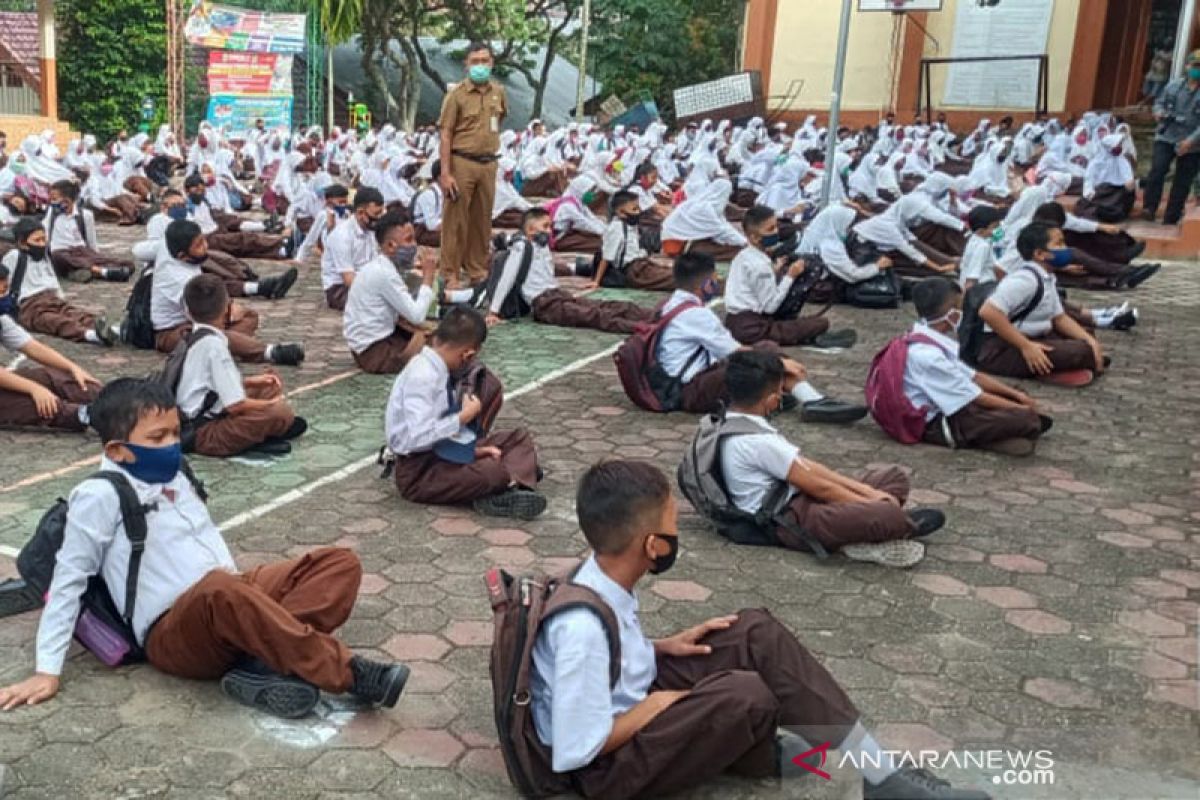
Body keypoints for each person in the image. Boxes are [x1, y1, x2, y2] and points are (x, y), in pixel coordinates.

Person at [528, 459, 989, 800]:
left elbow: (608, 662)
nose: (676, 534)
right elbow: (573, 751)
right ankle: (798, 759)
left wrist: (659, 648)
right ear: (652, 545)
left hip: (625, 700)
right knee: (746, 694)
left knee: (752, 632)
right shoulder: (582, 629)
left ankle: (877, 772)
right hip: (602, 773)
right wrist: (658, 704)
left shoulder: (597, 573)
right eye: (672, 526)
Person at [0, 378, 409, 719]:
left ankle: (261, 664)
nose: (172, 444)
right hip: (172, 630)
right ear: (117, 450)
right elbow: (68, 582)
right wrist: (46, 670)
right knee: (221, 590)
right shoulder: (98, 496)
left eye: (176, 432)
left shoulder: (175, 472)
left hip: (229, 595)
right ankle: (352, 674)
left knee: (338, 563)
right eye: (157, 437)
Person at [719, 351, 944, 567]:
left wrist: (869, 493)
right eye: (781, 391)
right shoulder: (756, 441)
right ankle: (888, 528)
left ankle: (870, 524)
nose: (781, 397)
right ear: (771, 400)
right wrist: (870, 502)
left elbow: (809, 469)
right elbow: (822, 488)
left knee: (893, 478)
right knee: (887, 514)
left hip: (798, 495)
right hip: (787, 519)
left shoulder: (728, 421)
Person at [656, 252, 865, 422]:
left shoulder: (670, 304)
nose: (718, 282)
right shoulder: (697, 314)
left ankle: (795, 396)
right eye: (714, 279)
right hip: (688, 391)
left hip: (687, 380)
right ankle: (810, 398)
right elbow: (737, 352)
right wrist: (780, 362)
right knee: (762, 355)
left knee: (765, 349)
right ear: (704, 284)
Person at [385, 307, 546, 519]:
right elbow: (418, 437)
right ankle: (508, 484)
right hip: (420, 472)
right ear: (467, 354)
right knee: (491, 471)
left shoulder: (438, 369)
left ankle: (508, 484)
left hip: (443, 454)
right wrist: (464, 416)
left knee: (517, 439)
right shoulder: (422, 376)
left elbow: (444, 440)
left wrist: (475, 452)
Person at [905, 277, 1049, 455]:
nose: (964, 312)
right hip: (936, 422)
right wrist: (1021, 409)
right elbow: (975, 397)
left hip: (954, 400)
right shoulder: (927, 355)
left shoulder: (928, 336)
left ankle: (1003, 433)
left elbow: (974, 376)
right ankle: (976, 438)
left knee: (1016, 396)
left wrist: (1016, 395)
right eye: (960, 308)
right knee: (1026, 418)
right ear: (951, 315)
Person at [176, 275, 308, 457]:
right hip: (203, 432)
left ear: (188, 312)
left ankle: (265, 428)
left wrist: (251, 383)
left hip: (198, 416)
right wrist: (268, 405)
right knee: (280, 412)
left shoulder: (193, 336)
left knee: (267, 388)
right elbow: (235, 406)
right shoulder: (214, 347)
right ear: (226, 308)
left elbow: (205, 387)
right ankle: (257, 435)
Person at [153, 220, 304, 366]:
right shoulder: (177, 279)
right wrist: (228, 312)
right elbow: (202, 317)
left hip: (200, 317)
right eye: (199, 245)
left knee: (249, 316)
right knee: (211, 334)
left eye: (203, 240)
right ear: (182, 256)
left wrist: (230, 310)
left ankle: (222, 347)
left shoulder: (174, 251)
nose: (205, 246)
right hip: (174, 330)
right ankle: (270, 352)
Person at [486, 208, 655, 334]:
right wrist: (494, 311)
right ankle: (644, 327)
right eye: (545, 226)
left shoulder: (542, 247)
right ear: (530, 230)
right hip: (545, 304)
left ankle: (655, 315)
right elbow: (506, 279)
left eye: (550, 226)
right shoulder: (521, 247)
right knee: (595, 315)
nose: (549, 231)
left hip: (557, 294)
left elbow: (546, 275)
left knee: (605, 306)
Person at [976, 224, 1107, 386]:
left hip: (1035, 337)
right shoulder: (1024, 280)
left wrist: (1091, 342)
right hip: (1001, 348)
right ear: (1039, 254)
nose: (1065, 249)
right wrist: (1026, 347)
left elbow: (1059, 318)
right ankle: (1047, 370)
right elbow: (988, 312)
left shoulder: (1047, 277)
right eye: (1058, 244)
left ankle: (1067, 364)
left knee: (1086, 336)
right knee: (1080, 352)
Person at [724, 205, 855, 349]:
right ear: (754, 237)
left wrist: (775, 270)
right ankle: (810, 337)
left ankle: (803, 335)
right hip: (753, 328)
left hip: (733, 322)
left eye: (775, 226)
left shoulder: (743, 256)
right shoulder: (759, 265)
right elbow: (770, 307)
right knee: (820, 323)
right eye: (770, 229)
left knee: (802, 324)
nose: (776, 232)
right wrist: (790, 276)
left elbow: (753, 284)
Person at [136, 189, 299, 302]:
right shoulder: (159, 221)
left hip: (194, 252)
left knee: (225, 259)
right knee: (208, 281)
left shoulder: (188, 216)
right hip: (174, 263)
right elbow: (146, 250)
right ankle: (260, 285)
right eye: (175, 205)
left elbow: (197, 233)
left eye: (182, 204)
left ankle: (265, 271)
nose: (180, 208)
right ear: (163, 207)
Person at [438, 42, 507, 289]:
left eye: (484, 61)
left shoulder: (498, 92)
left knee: (482, 220)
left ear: (492, 63)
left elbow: (499, 121)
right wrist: (445, 173)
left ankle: (477, 269)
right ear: (466, 65)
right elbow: (445, 133)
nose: (480, 66)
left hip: (488, 162)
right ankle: (450, 272)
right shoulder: (456, 95)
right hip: (462, 161)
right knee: (455, 220)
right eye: (475, 61)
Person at [343, 212, 435, 374]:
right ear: (390, 246)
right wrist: (428, 278)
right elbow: (417, 316)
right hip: (373, 351)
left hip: (371, 342)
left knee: (434, 337)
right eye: (408, 240)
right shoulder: (384, 273)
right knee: (439, 352)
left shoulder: (381, 266)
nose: (414, 245)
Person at [0, 285, 100, 432]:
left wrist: (72, 368)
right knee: (40, 404)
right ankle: (91, 415)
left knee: (54, 377)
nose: (5, 296)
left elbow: (32, 348)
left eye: (5, 289)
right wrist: (34, 389)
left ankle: (116, 398)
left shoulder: (2, 320)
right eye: (1, 291)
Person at [2, 218, 116, 346]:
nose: (41, 244)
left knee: (77, 314)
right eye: (36, 240)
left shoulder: (44, 256)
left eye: (43, 239)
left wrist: (61, 298)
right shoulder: (14, 256)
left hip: (51, 299)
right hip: (29, 306)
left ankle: (109, 330)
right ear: (22, 243)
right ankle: (90, 335)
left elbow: (52, 278)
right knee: (55, 321)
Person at [1144, 49, 1200, 224]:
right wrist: (1158, 112)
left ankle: (1171, 216)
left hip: (1193, 143)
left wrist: (1190, 141)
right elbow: (1159, 103)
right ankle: (1149, 208)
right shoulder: (1173, 86)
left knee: (1182, 181)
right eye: (1195, 65)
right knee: (1157, 171)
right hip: (1167, 136)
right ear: (1187, 66)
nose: (1196, 69)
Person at [182, 174, 294, 260]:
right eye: (196, 190)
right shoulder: (187, 210)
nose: (199, 193)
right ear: (187, 191)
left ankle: (268, 232)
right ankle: (279, 245)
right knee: (242, 239)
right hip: (208, 238)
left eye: (202, 190)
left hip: (217, 229)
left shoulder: (203, 202)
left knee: (234, 226)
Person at [43, 180, 133, 283]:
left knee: (127, 264)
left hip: (81, 251)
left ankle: (84, 271)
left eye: (54, 199)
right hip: (61, 253)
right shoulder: (52, 213)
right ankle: (102, 272)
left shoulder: (85, 215)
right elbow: (44, 232)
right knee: (59, 257)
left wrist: (96, 256)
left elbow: (91, 240)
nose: (51, 202)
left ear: (67, 200)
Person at [586, 190, 674, 290]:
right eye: (634, 209)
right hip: (633, 271)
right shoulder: (616, 228)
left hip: (641, 265)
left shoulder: (630, 224)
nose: (639, 212)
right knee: (673, 278)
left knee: (672, 273)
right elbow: (607, 257)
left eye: (638, 208)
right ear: (621, 213)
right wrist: (596, 282)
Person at [321, 187, 384, 311]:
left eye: (381, 213)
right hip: (340, 289)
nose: (379, 218)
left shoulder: (369, 231)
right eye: (376, 214)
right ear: (360, 213)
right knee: (381, 304)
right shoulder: (342, 235)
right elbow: (348, 279)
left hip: (364, 281)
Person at [660, 179, 746, 261]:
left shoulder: (702, 202)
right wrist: (745, 243)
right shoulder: (705, 209)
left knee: (729, 243)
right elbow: (722, 231)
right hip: (675, 244)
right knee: (732, 250)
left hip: (678, 239)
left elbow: (723, 224)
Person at [296, 183, 350, 261]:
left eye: (344, 201)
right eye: (340, 201)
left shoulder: (346, 214)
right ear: (329, 200)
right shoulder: (323, 215)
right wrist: (299, 259)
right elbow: (311, 239)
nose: (343, 204)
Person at [958, 205, 1005, 290]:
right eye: (995, 227)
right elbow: (972, 278)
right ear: (981, 231)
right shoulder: (982, 247)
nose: (999, 229)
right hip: (981, 288)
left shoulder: (974, 238)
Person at [411, 161, 446, 247]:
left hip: (438, 228)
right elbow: (432, 225)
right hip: (423, 231)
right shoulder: (428, 194)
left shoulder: (445, 192)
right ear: (440, 178)